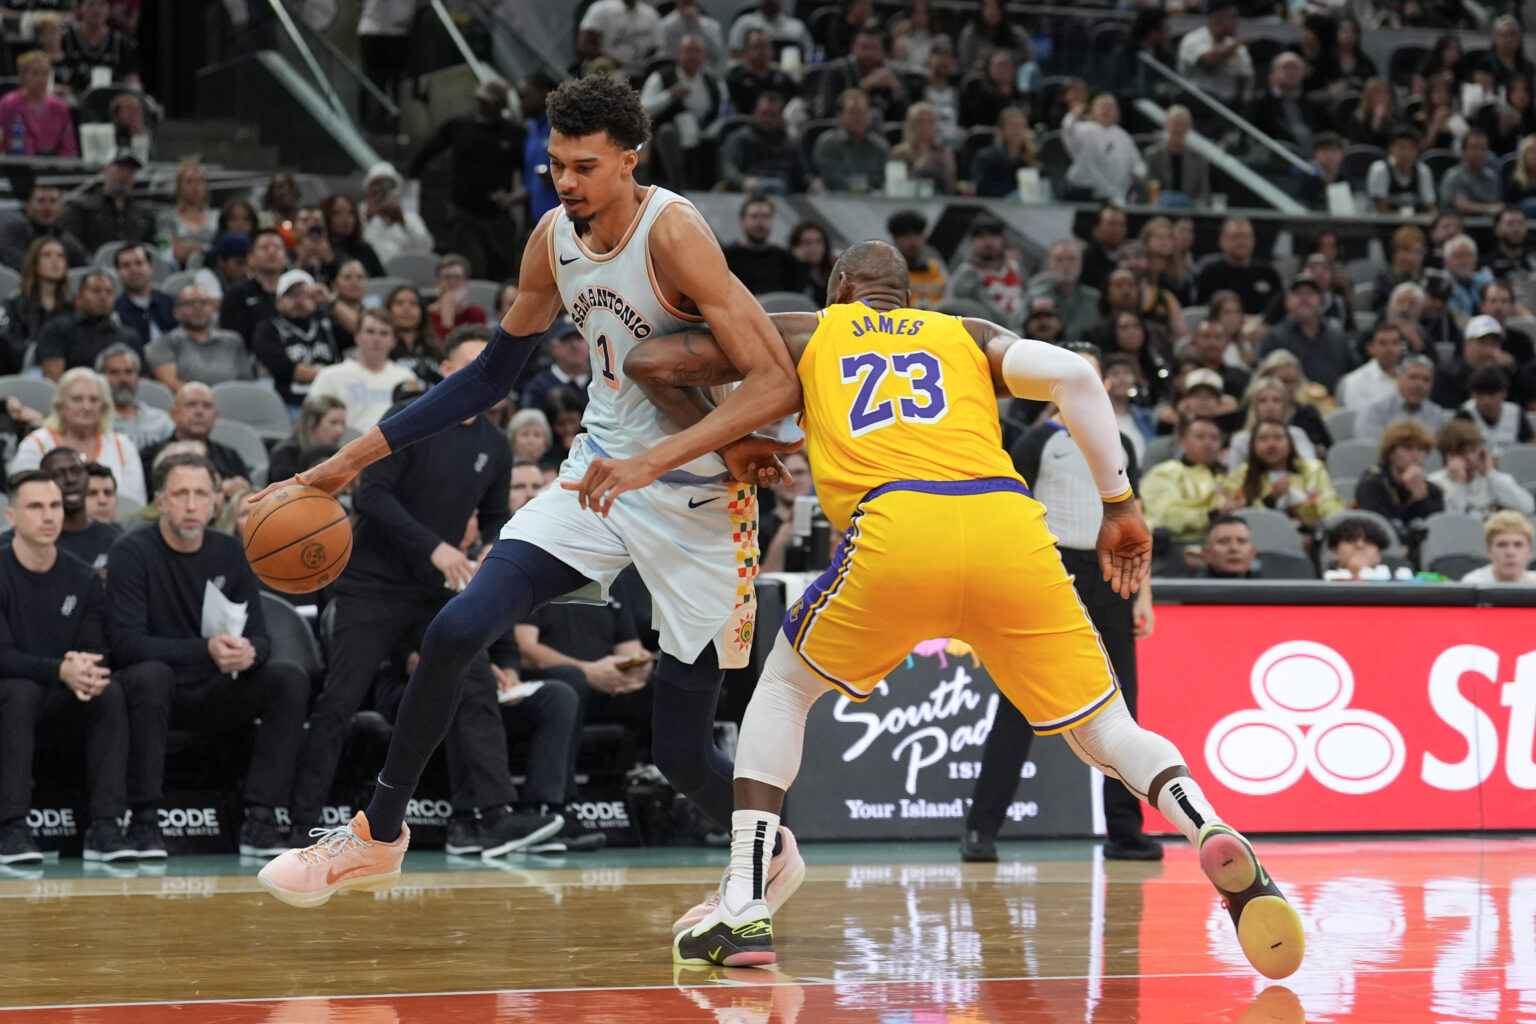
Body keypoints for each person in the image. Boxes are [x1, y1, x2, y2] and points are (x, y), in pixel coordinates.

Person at [605, 241, 1301, 979]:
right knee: (1108, 726)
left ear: (840, 287)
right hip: (1007, 525)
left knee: (784, 688)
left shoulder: (810, 329)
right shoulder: (964, 332)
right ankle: (1208, 823)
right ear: (907, 297)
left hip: (897, 526)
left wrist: (736, 441)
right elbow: (1075, 374)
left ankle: (744, 903)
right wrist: (1120, 503)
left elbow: (654, 361)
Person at [256, 74, 804, 910]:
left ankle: (764, 850)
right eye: (556, 164)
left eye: (586, 166)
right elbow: (487, 377)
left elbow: (772, 385)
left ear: (630, 160)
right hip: (597, 477)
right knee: (456, 628)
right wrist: (350, 460)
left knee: (683, 753)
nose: (568, 182)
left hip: (701, 501)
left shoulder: (677, 234)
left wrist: (656, 464)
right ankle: (378, 834)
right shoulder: (552, 237)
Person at [283, 325, 559, 854]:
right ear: (448, 373)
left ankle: (486, 816)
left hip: (436, 586)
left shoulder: (496, 445)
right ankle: (298, 821)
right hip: (373, 584)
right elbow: (373, 499)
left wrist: (486, 555)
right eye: (471, 364)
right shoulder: (411, 422)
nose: (485, 373)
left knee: (472, 681)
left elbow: (498, 515)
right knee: (340, 698)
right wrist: (436, 546)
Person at [967, 349, 1158, 864]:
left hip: (1113, 574)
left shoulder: (1119, 443)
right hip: (1053, 572)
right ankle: (980, 830)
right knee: (1018, 706)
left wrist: (1144, 593)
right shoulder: (1037, 441)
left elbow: (1135, 517)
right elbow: (1006, 511)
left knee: (1123, 706)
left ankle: (1124, 830)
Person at [107, 453, 309, 859]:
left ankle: (260, 817)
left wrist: (248, 653)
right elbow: (126, 644)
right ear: (160, 501)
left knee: (288, 677)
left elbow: (262, 638)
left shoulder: (230, 552)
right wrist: (206, 651)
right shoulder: (130, 552)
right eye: (181, 494)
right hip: (155, 692)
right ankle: (144, 819)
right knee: (151, 676)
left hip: (215, 687)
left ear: (216, 502)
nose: (192, 504)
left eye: (201, 494)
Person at [0, 470, 134, 864]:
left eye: (55, 505)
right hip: (10, 696)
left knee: (108, 691)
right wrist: (60, 669)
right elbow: (2, 657)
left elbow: (94, 651)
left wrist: (85, 672)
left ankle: (106, 826)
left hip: (59, 695)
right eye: (36, 506)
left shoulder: (83, 577)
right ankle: (11, 828)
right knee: (18, 691)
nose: (49, 516)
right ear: (11, 516)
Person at [405, 78, 526, 282]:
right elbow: (425, 152)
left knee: (501, 270)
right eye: (480, 100)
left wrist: (514, 196)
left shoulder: (515, 134)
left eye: (489, 102)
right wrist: (409, 181)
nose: (482, 106)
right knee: (472, 268)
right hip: (464, 212)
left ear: (502, 104)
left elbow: (528, 172)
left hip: (497, 215)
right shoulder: (459, 126)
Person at [307, 309, 419, 433]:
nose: (376, 339)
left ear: (394, 341)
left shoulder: (406, 377)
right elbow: (311, 422)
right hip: (345, 448)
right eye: (370, 332)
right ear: (357, 336)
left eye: (384, 333)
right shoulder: (329, 376)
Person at [639, 34, 724, 191]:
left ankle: (714, 187)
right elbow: (643, 108)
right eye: (688, 51)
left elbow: (723, 107)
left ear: (703, 55)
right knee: (667, 133)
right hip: (669, 131)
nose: (693, 56)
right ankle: (677, 185)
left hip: (704, 131)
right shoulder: (662, 76)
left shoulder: (711, 80)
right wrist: (670, 95)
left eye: (697, 51)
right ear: (678, 54)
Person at [137, 382, 252, 494]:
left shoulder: (230, 457)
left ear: (215, 416)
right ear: (173, 414)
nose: (199, 412)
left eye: (207, 406)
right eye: (191, 404)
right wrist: (220, 489)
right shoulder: (151, 456)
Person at [250, 270, 342, 409]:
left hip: (329, 402)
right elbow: (287, 370)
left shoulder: (326, 324)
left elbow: (359, 332)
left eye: (305, 294)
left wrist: (330, 300)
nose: (299, 300)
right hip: (288, 403)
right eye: (292, 295)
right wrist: (335, 375)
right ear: (278, 302)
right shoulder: (268, 328)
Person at [1225, 419, 1343, 527]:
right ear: (1253, 446)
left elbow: (1330, 506)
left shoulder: (1312, 469)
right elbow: (1237, 514)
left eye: (1278, 438)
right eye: (1263, 439)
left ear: (1290, 444)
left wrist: (1300, 508)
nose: (1271, 444)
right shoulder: (1241, 474)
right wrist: (1271, 499)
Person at [1142, 415, 1235, 543]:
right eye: (1200, 437)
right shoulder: (1164, 473)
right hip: (1174, 546)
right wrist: (1213, 515)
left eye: (1214, 438)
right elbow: (1166, 519)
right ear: (1184, 442)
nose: (1208, 443)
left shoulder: (1226, 479)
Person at [1355, 420, 1445, 551]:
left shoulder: (1433, 490)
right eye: (1407, 448)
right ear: (1390, 453)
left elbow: (1437, 534)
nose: (1415, 456)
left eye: (1421, 449)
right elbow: (1375, 528)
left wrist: (1421, 497)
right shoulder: (1371, 484)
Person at [146, 285, 254, 391]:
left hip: (232, 402)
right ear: (176, 312)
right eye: (189, 303)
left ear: (213, 309)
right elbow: (170, 384)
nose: (197, 307)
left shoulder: (233, 341)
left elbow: (246, 381)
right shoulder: (164, 343)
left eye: (203, 302)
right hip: (191, 405)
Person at [1255, 276, 1352, 393]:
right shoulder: (1275, 338)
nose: (1304, 299)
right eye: (1298, 294)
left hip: (1335, 404)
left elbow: (1354, 372)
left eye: (1310, 293)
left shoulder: (1337, 336)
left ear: (1321, 301)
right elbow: (1263, 379)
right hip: (1292, 406)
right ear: (1287, 301)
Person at [1428, 418, 1534, 519]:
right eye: (1461, 453)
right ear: (1448, 456)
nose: (1470, 458)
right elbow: (1450, 525)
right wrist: (1458, 485)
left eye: (1473, 450)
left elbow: (1527, 508)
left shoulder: (1495, 479)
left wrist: (1490, 474)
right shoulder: (1434, 484)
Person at [62, 149, 155, 254]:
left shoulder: (143, 213)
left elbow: (151, 247)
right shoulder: (82, 206)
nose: (125, 174)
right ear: (105, 168)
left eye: (131, 170)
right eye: (121, 168)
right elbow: (71, 243)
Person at [719, 92, 810, 195]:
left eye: (773, 115)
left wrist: (813, 184)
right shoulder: (739, 139)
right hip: (750, 193)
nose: (767, 119)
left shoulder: (790, 143)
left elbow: (803, 175)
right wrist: (742, 181)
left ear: (781, 117)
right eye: (764, 113)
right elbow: (728, 168)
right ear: (755, 113)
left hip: (786, 194)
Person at [946, 216, 1025, 331]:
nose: (988, 242)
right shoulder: (967, 272)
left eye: (993, 236)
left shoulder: (1015, 267)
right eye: (981, 236)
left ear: (1002, 240)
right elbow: (955, 309)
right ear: (972, 241)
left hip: (1020, 332)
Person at [1063, 94, 1144, 203]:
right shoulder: (1083, 130)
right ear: (1092, 112)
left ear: (1117, 113)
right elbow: (1068, 130)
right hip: (1086, 193)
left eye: (1110, 107)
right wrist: (1074, 114)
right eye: (1102, 106)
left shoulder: (1123, 135)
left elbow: (1137, 161)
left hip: (1117, 194)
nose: (1106, 110)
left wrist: (1139, 172)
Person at [814, 28, 906, 124]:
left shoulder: (892, 73)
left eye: (874, 48)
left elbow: (905, 119)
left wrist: (896, 90)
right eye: (864, 47)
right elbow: (827, 113)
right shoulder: (836, 72)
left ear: (883, 52)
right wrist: (864, 87)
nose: (869, 53)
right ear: (853, 48)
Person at [1175, 0, 1252, 111]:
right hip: (1196, 104)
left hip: (1227, 105)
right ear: (1218, 18)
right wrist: (1236, 46)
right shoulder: (1194, 39)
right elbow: (1210, 60)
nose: (1236, 23)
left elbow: (1244, 76)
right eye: (1232, 17)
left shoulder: (1236, 46)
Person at [1194, 218, 1282, 314]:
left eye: (1245, 236)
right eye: (1235, 237)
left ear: (1253, 240)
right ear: (1222, 241)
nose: (1241, 242)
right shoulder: (1211, 273)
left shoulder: (1268, 273)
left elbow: (1280, 307)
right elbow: (1201, 310)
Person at [0, 51, 78, 157]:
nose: (41, 80)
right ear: (23, 75)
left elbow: (68, 144)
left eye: (45, 74)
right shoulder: (9, 104)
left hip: (56, 167)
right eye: (35, 74)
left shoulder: (59, 106)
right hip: (19, 166)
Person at [0, 184, 88, 275]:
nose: (47, 208)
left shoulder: (69, 241)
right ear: (29, 207)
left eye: (53, 201)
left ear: (62, 209)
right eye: (41, 201)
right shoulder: (13, 233)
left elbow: (85, 269)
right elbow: (17, 266)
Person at [97, 343, 171, 452]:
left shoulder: (160, 421)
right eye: (114, 372)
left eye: (129, 372)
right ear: (100, 378)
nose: (123, 379)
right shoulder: (93, 421)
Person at [812, 89, 889, 194]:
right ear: (841, 116)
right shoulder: (828, 144)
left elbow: (885, 182)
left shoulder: (880, 146)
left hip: (875, 204)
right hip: (837, 203)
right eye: (853, 113)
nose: (859, 118)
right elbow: (833, 182)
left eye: (863, 112)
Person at [219, 228, 287, 346]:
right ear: (250, 258)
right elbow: (233, 340)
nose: (272, 251)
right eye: (264, 247)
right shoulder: (236, 294)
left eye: (277, 247)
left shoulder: (296, 291)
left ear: (286, 257)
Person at [722, 194, 799, 296]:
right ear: (743, 220)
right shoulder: (725, 257)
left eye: (766, 217)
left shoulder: (784, 259)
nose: (760, 223)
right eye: (754, 216)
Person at [361, 162, 435, 269]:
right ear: (370, 190)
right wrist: (368, 218)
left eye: (387, 186)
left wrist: (402, 221)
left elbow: (427, 247)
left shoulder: (410, 218)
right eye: (377, 185)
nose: (381, 190)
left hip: (402, 275)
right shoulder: (358, 213)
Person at [58, 0, 140, 94]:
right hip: (72, 101)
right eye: (91, 4)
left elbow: (132, 79)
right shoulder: (65, 39)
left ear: (109, 9)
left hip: (110, 102)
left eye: (102, 4)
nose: (96, 10)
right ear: (80, 8)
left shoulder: (119, 42)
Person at [1028, 240, 1099, 341]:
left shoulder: (1094, 298)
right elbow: (1019, 327)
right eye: (1059, 260)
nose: (1066, 266)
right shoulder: (1036, 295)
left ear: (1080, 265)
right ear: (1050, 265)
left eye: (1071, 260)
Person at [268, 395, 347, 485]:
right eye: (333, 423)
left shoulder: (339, 456)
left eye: (342, 424)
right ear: (311, 423)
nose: (340, 431)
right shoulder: (285, 454)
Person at [1141, 106, 1209, 207]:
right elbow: (1146, 190)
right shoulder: (1152, 155)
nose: (1178, 129)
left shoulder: (1199, 158)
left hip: (1190, 215)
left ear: (1188, 128)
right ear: (1166, 126)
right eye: (1175, 124)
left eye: (1182, 125)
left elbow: (1204, 193)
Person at [519, 319, 591, 414]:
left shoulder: (604, 382)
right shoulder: (539, 387)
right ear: (554, 347)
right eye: (566, 339)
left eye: (580, 338)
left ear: (589, 344)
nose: (574, 345)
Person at [1456, 367, 1533, 454]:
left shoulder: (1515, 412)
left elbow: (1530, 445)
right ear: (1472, 394)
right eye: (1480, 394)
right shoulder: (1465, 413)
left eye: (1492, 394)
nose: (1486, 401)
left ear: (1504, 393)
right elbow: (1455, 449)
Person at [156, 161, 217, 270]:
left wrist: (188, 246)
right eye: (189, 182)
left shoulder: (217, 216)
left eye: (199, 181)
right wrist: (207, 248)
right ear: (179, 186)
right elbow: (167, 251)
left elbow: (221, 251)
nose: (195, 187)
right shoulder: (166, 217)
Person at [577, 0, 659, 80]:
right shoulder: (601, 9)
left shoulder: (650, 13)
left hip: (643, 72)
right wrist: (613, 62)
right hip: (612, 71)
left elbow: (657, 47)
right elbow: (584, 46)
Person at [112, 244, 174, 348]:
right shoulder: (114, 310)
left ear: (150, 267)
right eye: (126, 265)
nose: (133, 269)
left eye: (139, 263)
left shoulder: (171, 303)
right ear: (118, 272)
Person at [1366, 127, 1437, 217]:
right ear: (1391, 148)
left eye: (1411, 148)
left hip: (1417, 224)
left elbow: (1431, 206)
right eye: (1401, 147)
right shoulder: (1380, 170)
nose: (1406, 153)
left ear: (1417, 151)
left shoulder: (1423, 171)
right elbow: (1382, 209)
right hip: (1385, 224)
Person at [968, 107, 1036, 200]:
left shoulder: (1031, 159)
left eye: (1022, 126)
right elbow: (982, 189)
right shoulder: (985, 158)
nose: (1018, 131)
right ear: (1002, 130)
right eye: (1013, 126)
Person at [890, 102, 956, 195]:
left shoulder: (943, 153)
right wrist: (919, 168)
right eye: (920, 121)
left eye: (930, 121)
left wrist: (948, 167)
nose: (926, 126)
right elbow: (896, 188)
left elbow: (950, 188)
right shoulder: (900, 153)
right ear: (911, 125)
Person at [726, 30, 795, 117]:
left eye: (765, 46)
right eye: (757, 47)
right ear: (746, 51)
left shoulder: (783, 78)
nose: (762, 51)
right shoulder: (735, 79)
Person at [887, 210, 947, 310]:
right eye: (905, 235)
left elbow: (949, 298)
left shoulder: (936, 266)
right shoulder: (887, 269)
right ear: (895, 240)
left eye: (917, 234)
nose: (912, 241)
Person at [384, 285, 442, 386]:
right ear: (388, 310)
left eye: (413, 303)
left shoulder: (437, 349)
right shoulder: (381, 349)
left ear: (422, 311)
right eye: (399, 303)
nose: (406, 309)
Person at [1439, 130, 1504, 217]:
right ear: (1464, 151)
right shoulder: (1454, 175)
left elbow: (1498, 204)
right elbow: (1462, 205)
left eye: (1483, 148)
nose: (1479, 153)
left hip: (1489, 226)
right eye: (1474, 148)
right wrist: (1490, 209)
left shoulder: (1493, 176)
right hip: (1460, 225)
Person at [1461, 510, 1536, 583]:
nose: (1510, 552)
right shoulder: (1472, 584)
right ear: (1489, 550)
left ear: (1530, 550)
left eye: (1518, 545)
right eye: (1502, 545)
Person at [425, 255, 487, 341]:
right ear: (437, 283)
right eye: (447, 277)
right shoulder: (427, 316)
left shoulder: (476, 313)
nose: (452, 282)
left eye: (457, 277)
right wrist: (447, 317)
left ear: (466, 284)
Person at [726, 0, 812, 60]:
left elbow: (810, 55)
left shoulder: (797, 27)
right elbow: (735, 56)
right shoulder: (743, 24)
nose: (769, 1)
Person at [657, 0, 726, 73]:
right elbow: (665, 57)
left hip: (705, 75)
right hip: (675, 75)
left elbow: (719, 55)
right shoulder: (664, 26)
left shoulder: (712, 26)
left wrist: (698, 25)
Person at [1324, 515, 1392, 578]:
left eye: (1368, 541)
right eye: (1351, 540)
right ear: (1334, 552)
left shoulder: (1395, 584)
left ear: (1379, 555)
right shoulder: (1322, 584)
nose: (1360, 545)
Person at [1078, 205, 1126, 294]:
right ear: (1096, 229)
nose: (1116, 229)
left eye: (1120, 224)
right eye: (1111, 224)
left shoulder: (1129, 258)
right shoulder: (1085, 259)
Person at [788, 222, 834, 308]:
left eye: (818, 242)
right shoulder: (789, 273)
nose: (814, 248)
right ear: (796, 247)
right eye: (807, 243)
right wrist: (799, 264)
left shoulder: (833, 273)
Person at [1196, 514, 1259, 578]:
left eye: (1241, 541)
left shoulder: (1265, 584)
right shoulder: (1191, 586)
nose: (1234, 548)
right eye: (1224, 541)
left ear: (1253, 552)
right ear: (1206, 553)